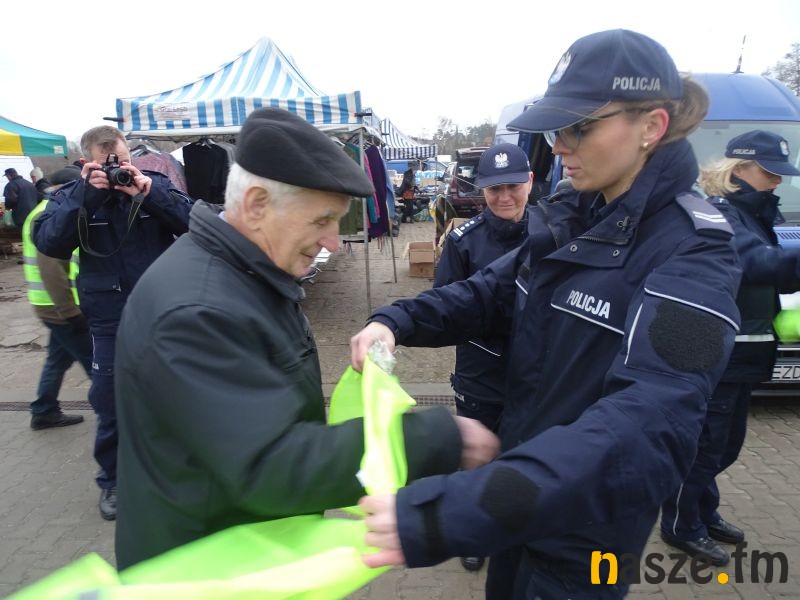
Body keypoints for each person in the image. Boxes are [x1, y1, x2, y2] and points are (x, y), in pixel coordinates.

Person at [351, 29, 743, 599]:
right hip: (517, 512)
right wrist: (396, 320)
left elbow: (648, 427)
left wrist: (453, 511)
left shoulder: (695, 252)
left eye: (578, 127)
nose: (559, 146)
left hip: (581, 542)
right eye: (556, 130)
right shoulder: (572, 217)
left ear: (651, 127)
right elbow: (486, 293)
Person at [112, 107, 500, 570]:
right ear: (257, 204)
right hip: (204, 570)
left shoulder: (245, 274)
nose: (333, 241)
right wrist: (437, 439)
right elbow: (271, 466)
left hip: (240, 551)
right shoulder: (198, 311)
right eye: (321, 221)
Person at [33, 126, 193, 521]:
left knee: (173, 394)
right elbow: (49, 242)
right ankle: (115, 480)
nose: (116, 170)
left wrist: (148, 194)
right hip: (108, 317)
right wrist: (86, 196)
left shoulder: (152, 184)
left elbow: (196, 225)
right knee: (110, 400)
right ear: (85, 163)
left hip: (160, 311)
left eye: (121, 161)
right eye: (105, 164)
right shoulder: (73, 196)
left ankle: (174, 470)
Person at [660, 130, 800, 566]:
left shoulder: (751, 214)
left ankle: (704, 511)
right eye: (769, 172)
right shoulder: (719, 214)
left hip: (741, 353)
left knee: (725, 445)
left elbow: (773, 276)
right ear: (738, 169)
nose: (778, 181)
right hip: (717, 354)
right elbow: (755, 263)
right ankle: (680, 524)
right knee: (706, 447)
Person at [433, 143, 534, 573]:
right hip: (481, 372)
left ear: (530, 182)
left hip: (537, 373)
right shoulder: (464, 242)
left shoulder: (554, 233)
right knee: (475, 459)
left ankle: (514, 527)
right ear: (483, 190)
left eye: (513, 186)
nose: (504, 197)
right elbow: (443, 307)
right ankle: (473, 532)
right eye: (495, 189)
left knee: (526, 456)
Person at [23, 167, 92, 430]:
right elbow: (51, 269)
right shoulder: (50, 215)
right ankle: (121, 417)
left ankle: (44, 410)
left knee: (58, 359)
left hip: (53, 305)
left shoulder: (50, 210)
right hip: (61, 307)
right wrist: (71, 313)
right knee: (96, 364)